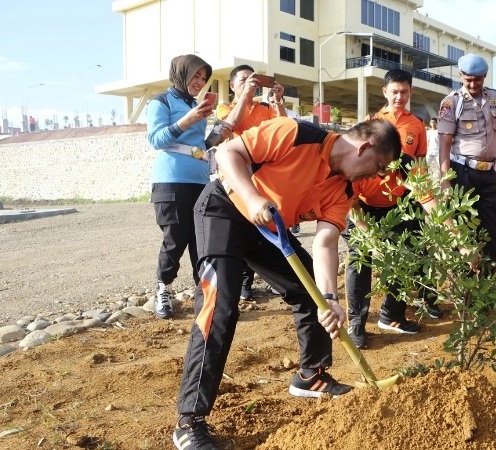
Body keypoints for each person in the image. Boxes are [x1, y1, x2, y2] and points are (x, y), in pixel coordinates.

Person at [172, 117, 401, 449]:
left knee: (311, 296)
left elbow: (325, 243)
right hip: (225, 210)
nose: (375, 177)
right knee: (219, 307)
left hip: (269, 231)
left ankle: (312, 376)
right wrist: (251, 197)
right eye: (378, 166)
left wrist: (329, 298)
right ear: (364, 147)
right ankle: (189, 422)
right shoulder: (295, 134)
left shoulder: (344, 189)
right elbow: (227, 152)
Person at [343, 69, 442, 348]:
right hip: (363, 205)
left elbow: (417, 169)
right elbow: (350, 189)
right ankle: (357, 324)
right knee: (360, 262)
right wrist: (368, 234)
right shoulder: (370, 123)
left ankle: (392, 314)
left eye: (405, 91)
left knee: (404, 257)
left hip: (398, 206)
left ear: (410, 92)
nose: (399, 96)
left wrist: (426, 206)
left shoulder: (417, 125)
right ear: (385, 92)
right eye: (394, 91)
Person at [146, 54, 228, 320]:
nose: (200, 82)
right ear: (181, 74)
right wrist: (189, 119)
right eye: (196, 76)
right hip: (171, 179)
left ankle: (203, 295)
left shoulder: (195, 105)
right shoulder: (161, 101)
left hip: (200, 179)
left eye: (203, 78)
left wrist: (217, 134)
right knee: (175, 239)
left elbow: (199, 146)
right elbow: (156, 139)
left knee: (200, 240)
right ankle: (162, 290)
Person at [215, 64, 286, 300]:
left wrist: (278, 103)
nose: (249, 84)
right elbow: (229, 127)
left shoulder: (264, 108)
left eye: (253, 80)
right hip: (237, 176)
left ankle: (275, 279)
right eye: (243, 80)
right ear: (232, 85)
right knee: (241, 227)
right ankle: (244, 284)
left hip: (263, 176)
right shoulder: (225, 108)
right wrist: (245, 97)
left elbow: (284, 129)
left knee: (266, 225)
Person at [437, 53, 496, 266]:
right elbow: (444, 145)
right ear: (460, 75)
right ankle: (464, 289)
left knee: (491, 232)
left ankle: (488, 289)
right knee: (463, 230)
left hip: (489, 174)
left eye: (477, 79)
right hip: (462, 173)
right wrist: (445, 181)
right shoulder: (451, 102)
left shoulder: (495, 98)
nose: (473, 83)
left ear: (485, 76)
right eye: (468, 78)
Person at [425, 117, 439, 182]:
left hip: (437, 151)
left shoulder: (438, 132)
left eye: (434, 122)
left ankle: (439, 179)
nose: (433, 124)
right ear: (430, 123)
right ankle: (427, 178)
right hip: (430, 150)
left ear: (436, 123)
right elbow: (427, 141)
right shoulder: (428, 132)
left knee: (438, 165)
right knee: (427, 163)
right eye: (432, 122)